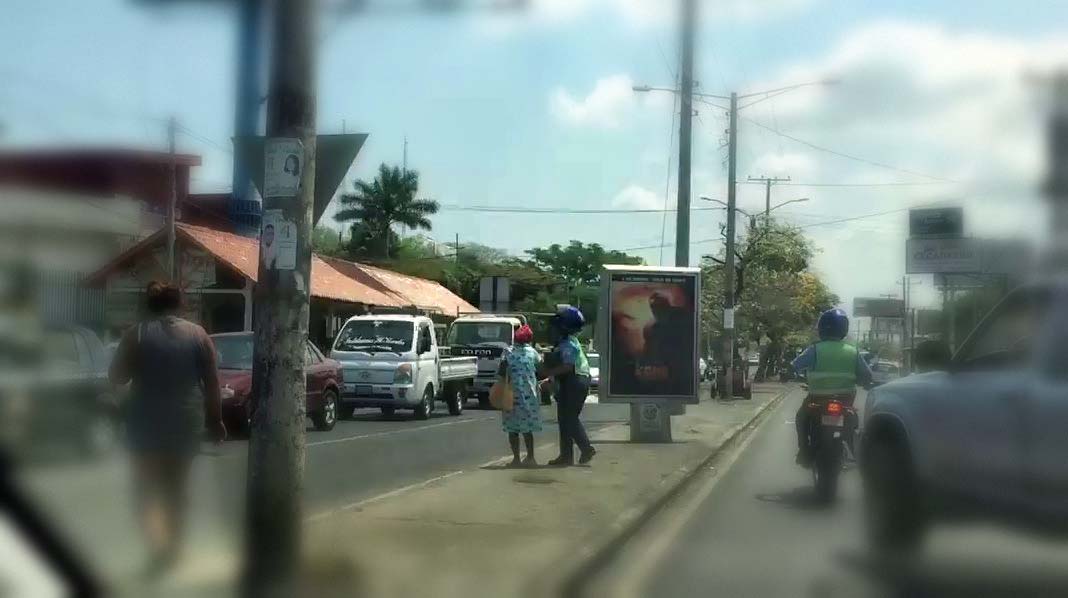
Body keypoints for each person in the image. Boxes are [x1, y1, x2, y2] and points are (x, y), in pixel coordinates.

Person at [108, 281, 227, 577]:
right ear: (180, 305)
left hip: (145, 423)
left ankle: (157, 548)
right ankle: (174, 548)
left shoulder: (135, 334)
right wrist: (216, 422)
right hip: (185, 422)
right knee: (178, 489)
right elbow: (212, 384)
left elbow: (117, 376)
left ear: (149, 306)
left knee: (146, 492)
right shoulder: (199, 335)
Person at [791, 308, 872, 465]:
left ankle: (804, 450)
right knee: (853, 422)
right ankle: (854, 452)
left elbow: (794, 366)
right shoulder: (853, 351)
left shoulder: (815, 349)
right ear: (844, 329)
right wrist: (863, 382)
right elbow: (867, 375)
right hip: (845, 401)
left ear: (822, 328)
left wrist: (787, 373)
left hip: (816, 400)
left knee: (801, 418)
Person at [542, 306, 595, 466]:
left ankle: (586, 448)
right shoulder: (568, 342)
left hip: (575, 380)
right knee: (564, 420)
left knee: (569, 419)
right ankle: (566, 456)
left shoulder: (568, 344)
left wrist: (547, 372)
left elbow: (567, 367)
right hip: (574, 381)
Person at [497, 324, 543, 467]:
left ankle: (516, 458)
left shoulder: (508, 352)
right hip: (529, 395)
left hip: (511, 394)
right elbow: (541, 370)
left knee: (513, 429)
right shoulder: (533, 353)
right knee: (527, 428)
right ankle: (531, 458)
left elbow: (501, 372)